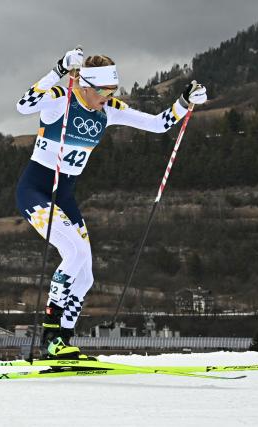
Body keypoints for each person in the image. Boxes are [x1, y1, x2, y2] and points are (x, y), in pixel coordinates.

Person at [15, 48, 207, 359]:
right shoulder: (59, 99)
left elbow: (159, 124)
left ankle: (62, 340)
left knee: (86, 274)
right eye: (104, 91)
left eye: (112, 90)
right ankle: (49, 337)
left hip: (64, 196)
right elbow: (23, 105)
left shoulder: (109, 109)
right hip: (37, 192)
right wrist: (60, 68)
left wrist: (186, 102)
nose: (108, 96)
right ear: (86, 86)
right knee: (73, 252)